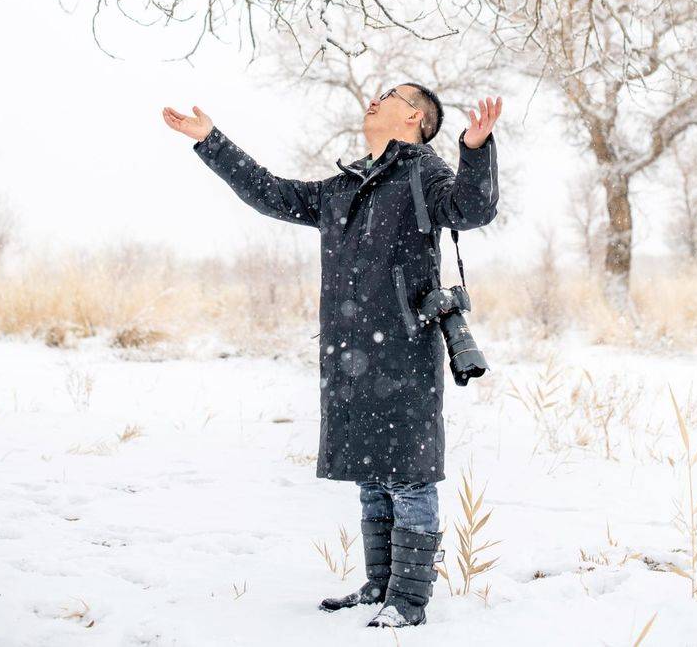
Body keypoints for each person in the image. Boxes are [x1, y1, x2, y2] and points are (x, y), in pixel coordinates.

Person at [162, 83, 501, 628]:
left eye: (391, 94)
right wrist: (211, 141)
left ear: (414, 116)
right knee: (372, 475)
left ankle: (408, 602)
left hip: (404, 352)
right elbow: (270, 192)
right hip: (349, 358)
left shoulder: (423, 173)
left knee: (409, 476)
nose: (375, 96)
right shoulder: (342, 189)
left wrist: (477, 149)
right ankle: (377, 586)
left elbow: (471, 208)